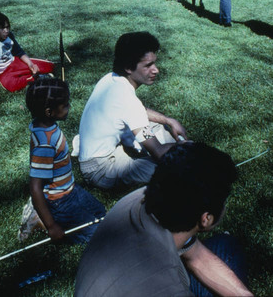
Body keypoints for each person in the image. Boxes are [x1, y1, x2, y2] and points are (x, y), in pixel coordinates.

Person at [75, 142, 253, 297]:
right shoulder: (165, 289)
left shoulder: (145, 200)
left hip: (122, 279)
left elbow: (196, 256)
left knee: (225, 245)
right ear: (206, 219)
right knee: (228, 251)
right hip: (151, 284)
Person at [78, 32, 187, 190]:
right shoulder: (127, 100)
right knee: (171, 169)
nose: (156, 70)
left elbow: (139, 111)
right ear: (129, 67)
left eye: (154, 64)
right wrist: (187, 147)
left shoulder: (112, 78)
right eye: (148, 65)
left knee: (158, 127)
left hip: (100, 154)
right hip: (99, 169)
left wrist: (169, 121)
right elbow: (157, 151)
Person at [20, 77, 106, 244]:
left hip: (71, 189)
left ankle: (46, 216)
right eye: (65, 104)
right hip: (59, 201)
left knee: (101, 214)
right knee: (96, 236)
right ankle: (42, 220)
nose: (69, 107)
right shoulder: (44, 144)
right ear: (49, 112)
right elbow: (35, 186)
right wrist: (51, 226)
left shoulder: (47, 126)